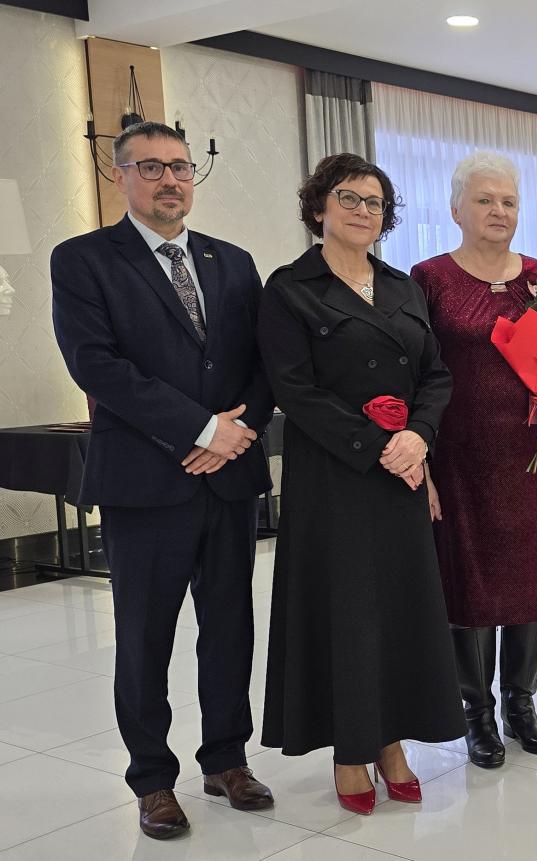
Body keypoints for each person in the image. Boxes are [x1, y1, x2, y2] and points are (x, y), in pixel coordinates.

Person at [50, 121, 274, 839]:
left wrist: (235, 433)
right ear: (121, 175)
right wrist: (201, 429)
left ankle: (227, 758)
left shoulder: (232, 261)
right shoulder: (84, 260)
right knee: (145, 637)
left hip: (229, 478)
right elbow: (96, 365)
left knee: (230, 628)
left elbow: (264, 362)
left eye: (179, 166)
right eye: (151, 167)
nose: (170, 179)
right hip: (145, 482)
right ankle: (151, 778)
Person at [257, 153, 464, 815]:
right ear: (319, 206)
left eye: (374, 202)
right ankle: (351, 749)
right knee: (347, 611)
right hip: (335, 474)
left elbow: (436, 375)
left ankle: (392, 740)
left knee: (400, 609)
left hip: (404, 470)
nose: (362, 210)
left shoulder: (404, 286)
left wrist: (419, 437)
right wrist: (378, 446)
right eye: (348, 197)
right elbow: (294, 390)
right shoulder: (289, 288)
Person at [412, 151, 537, 769]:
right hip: (460, 458)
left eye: (508, 201)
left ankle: (521, 701)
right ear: (455, 209)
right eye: (484, 200)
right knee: (470, 580)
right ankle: (476, 711)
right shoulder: (428, 278)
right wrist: (420, 457)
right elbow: (414, 370)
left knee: (534, 576)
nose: (498, 211)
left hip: (535, 455)